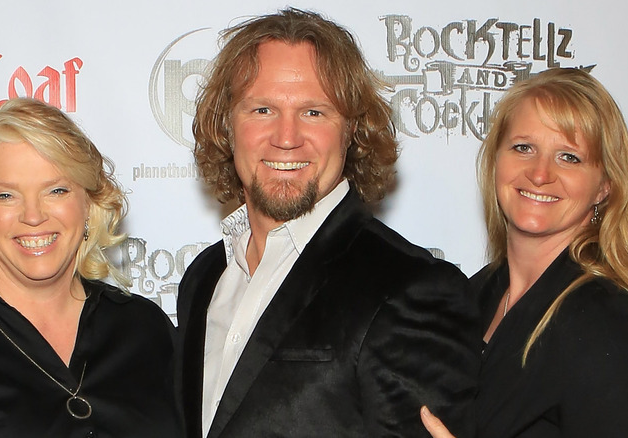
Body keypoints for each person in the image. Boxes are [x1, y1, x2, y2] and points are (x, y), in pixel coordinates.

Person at [176, 8, 480, 438]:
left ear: (351, 129)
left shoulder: (411, 289)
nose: (286, 136)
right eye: (262, 109)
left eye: (314, 112)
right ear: (227, 125)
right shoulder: (204, 278)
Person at [0, 98, 180, 437]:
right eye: (6, 196)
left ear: (88, 203)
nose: (33, 216)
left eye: (56, 190)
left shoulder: (145, 328)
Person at [422, 68, 628, 437]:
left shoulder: (610, 320)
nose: (539, 174)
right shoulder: (476, 294)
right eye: (523, 147)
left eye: (569, 157)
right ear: (496, 160)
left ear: (604, 185)